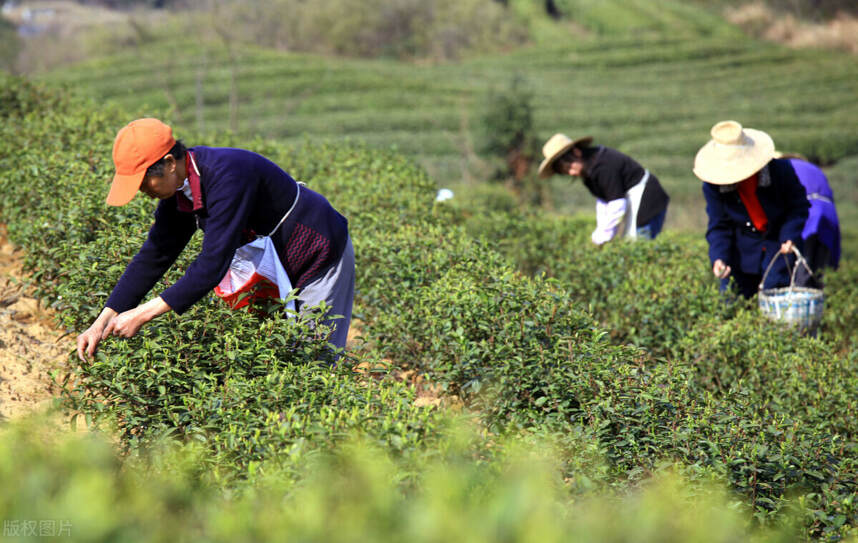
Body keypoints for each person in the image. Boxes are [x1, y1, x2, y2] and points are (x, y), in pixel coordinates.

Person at [76, 118, 354, 361]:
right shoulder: (180, 193)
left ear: (170, 163)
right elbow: (155, 255)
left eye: (143, 183)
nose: (141, 191)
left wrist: (142, 314)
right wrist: (103, 320)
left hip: (316, 256)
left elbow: (212, 264)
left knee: (314, 359)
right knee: (274, 356)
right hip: (271, 269)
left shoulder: (227, 175)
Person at [693, 120, 809, 299]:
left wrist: (789, 236)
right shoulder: (713, 185)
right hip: (741, 251)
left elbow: (798, 206)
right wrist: (719, 258)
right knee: (731, 301)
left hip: (778, 245)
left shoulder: (779, 171)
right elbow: (719, 225)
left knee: (775, 300)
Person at [538, 133, 670, 245]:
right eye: (566, 172)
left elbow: (617, 205)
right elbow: (604, 203)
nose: (571, 173)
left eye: (569, 167)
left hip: (647, 200)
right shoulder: (588, 173)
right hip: (633, 199)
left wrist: (601, 238)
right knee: (630, 243)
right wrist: (600, 234)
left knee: (638, 245)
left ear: (576, 152)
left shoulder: (603, 165)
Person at [775, 152, 840, 283]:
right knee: (820, 265)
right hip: (828, 212)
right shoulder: (813, 168)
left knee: (802, 261)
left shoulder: (784, 167)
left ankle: (800, 297)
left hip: (807, 210)